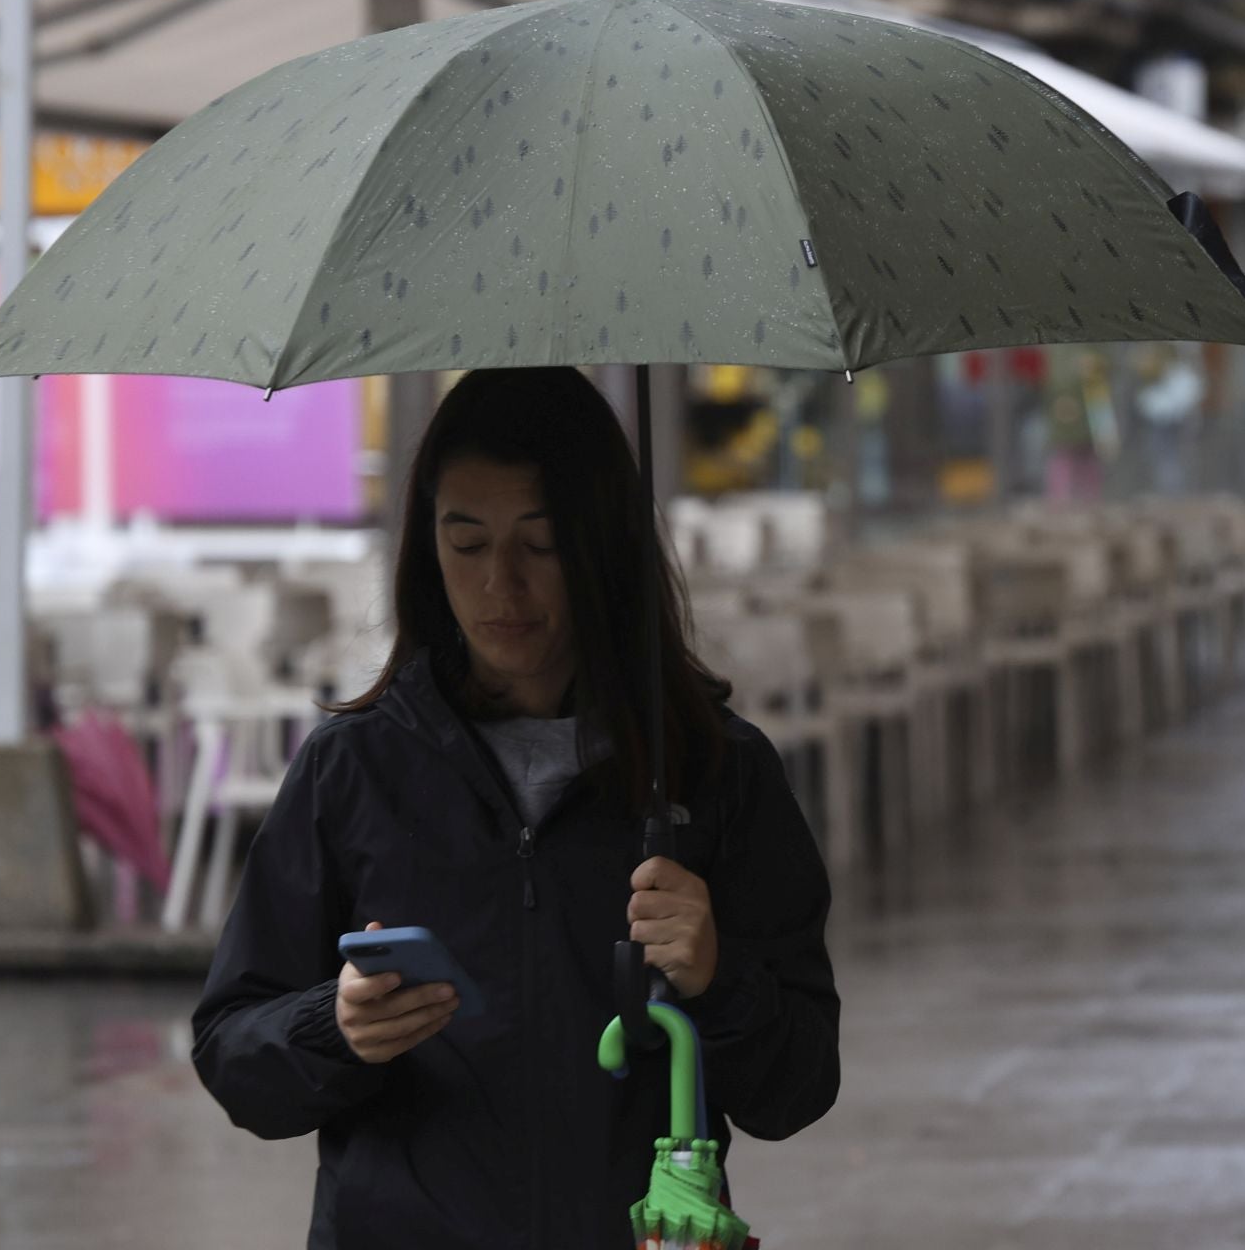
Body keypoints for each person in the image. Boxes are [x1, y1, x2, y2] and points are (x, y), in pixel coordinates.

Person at [191, 368, 840, 1249]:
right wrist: (334, 1028)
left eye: (542, 545)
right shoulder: (354, 772)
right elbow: (232, 1051)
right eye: (467, 544)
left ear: (604, 547)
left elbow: (797, 1089)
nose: (502, 586)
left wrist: (718, 978)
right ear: (426, 551)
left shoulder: (715, 773)